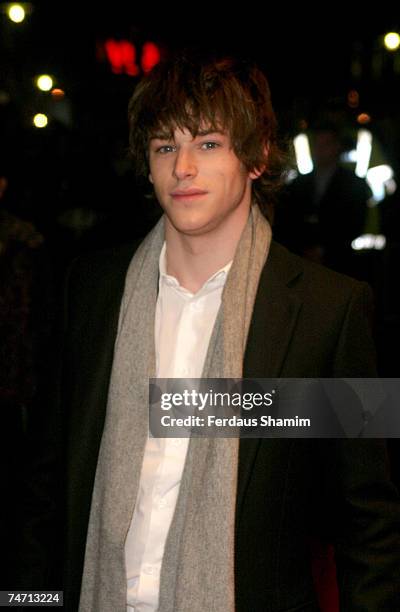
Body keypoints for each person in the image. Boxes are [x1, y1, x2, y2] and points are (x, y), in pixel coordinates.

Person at [20, 52, 399, 612]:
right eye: (166, 146)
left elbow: (370, 526)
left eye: (209, 143)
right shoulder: (93, 290)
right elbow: (41, 493)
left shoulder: (330, 310)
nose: (183, 168)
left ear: (255, 157)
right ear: (146, 164)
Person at [274, 123, 371, 275]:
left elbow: (355, 221)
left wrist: (325, 250)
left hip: (339, 263)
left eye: (326, 144)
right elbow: (287, 219)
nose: (319, 150)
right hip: (301, 261)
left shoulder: (353, 183)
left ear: (337, 146)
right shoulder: (299, 183)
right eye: (317, 144)